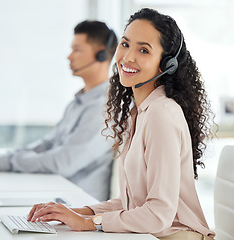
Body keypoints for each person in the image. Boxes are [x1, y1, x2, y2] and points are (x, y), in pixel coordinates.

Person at [26, 8, 216, 240]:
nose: (128, 57)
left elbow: (159, 214)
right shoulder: (139, 113)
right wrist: (77, 212)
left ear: (166, 64)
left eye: (144, 50)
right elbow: (132, 203)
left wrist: (88, 223)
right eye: (125, 44)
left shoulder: (161, 114)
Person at [0, 20, 118, 201]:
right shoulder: (79, 101)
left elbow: (62, 162)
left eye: (77, 50)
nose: (69, 57)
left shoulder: (103, 108)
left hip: (76, 205)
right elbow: (47, 145)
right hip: (54, 193)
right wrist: (1, 158)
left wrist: (1, 163)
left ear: (100, 54)